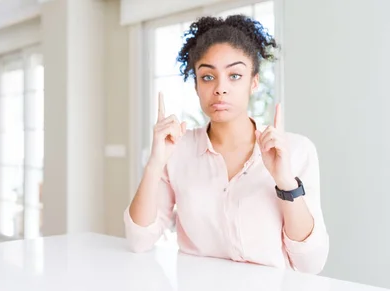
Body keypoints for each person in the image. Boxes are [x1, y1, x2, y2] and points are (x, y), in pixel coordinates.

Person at [123, 14, 329, 274]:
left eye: (234, 75)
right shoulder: (177, 150)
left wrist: (285, 181)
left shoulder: (295, 151)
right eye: (208, 77)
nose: (220, 88)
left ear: (253, 82)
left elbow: (310, 264)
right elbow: (139, 240)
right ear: (196, 85)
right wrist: (155, 164)